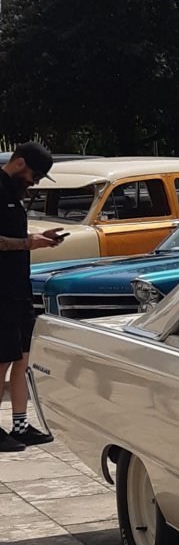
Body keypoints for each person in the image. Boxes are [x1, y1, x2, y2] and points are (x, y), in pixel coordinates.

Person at [0, 144, 66, 450]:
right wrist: (30, 243)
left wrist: (40, 241)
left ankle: (20, 424)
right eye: (34, 175)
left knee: (23, 358)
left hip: (18, 288)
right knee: (2, 360)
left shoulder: (15, 195)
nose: (36, 181)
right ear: (19, 163)